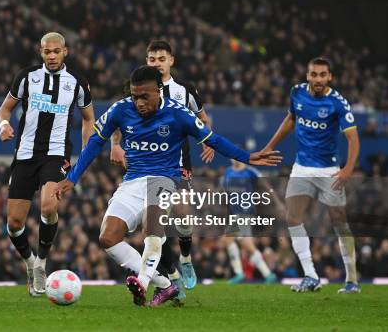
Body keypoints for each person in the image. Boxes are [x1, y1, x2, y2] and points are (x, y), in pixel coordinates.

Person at [55, 66, 281, 306]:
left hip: (165, 178)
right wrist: (73, 177)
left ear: (159, 91)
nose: (139, 102)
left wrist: (247, 157)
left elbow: (213, 139)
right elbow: (95, 142)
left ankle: (142, 282)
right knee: (108, 238)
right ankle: (165, 285)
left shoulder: (179, 114)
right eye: (135, 96)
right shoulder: (121, 110)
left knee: (152, 232)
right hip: (132, 181)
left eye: (145, 96)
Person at [109, 41, 213, 297]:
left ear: (171, 61)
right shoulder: (139, 88)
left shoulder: (184, 90)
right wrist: (115, 145)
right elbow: (119, 120)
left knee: (183, 218)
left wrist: (208, 142)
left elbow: (202, 118)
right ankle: (170, 276)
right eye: (152, 58)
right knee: (156, 224)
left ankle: (186, 259)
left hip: (179, 161)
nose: (156, 62)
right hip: (148, 165)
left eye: (161, 58)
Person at [0, 32, 95, 296]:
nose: (51, 56)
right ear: (40, 53)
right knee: (14, 223)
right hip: (25, 153)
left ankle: (41, 261)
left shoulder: (76, 82)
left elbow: (88, 119)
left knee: (49, 204)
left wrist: (85, 154)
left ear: (65, 51)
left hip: (56, 152)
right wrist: (4, 124)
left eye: (56, 51)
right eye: (46, 52)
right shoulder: (27, 77)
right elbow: (5, 108)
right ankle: (29, 263)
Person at [262, 57, 361, 293]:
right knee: (293, 218)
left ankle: (352, 280)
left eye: (322, 75)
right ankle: (310, 275)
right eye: (313, 74)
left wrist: (347, 169)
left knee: (339, 222)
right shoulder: (297, 93)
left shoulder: (338, 103)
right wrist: (269, 146)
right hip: (302, 167)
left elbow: (353, 138)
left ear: (330, 77)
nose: (317, 79)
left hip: (329, 170)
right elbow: (290, 120)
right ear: (307, 75)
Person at [220, 159, 278, 284]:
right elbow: (226, 191)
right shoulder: (228, 172)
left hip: (245, 211)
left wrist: (276, 201)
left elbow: (265, 185)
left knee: (229, 239)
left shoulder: (250, 171)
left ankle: (239, 273)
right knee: (246, 244)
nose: (233, 158)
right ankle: (267, 274)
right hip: (235, 212)